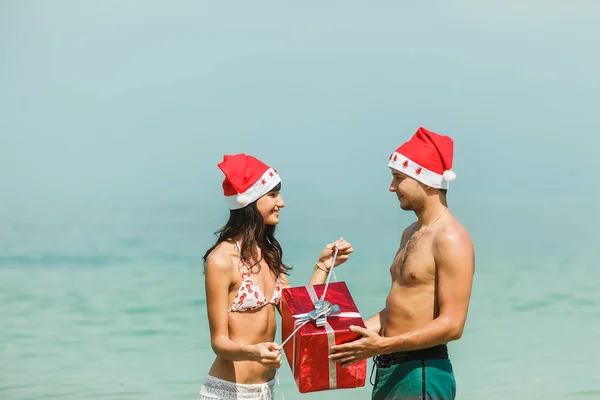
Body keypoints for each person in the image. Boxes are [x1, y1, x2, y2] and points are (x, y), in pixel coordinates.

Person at [329, 127, 475, 400]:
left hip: (421, 372)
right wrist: (348, 336)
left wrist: (383, 345)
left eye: (398, 178)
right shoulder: (410, 232)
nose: (391, 187)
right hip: (388, 370)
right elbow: (397, 310)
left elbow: (453, 325)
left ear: (427, 181)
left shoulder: (451, 238)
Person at [200, 153, 353, 400]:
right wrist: (253, 352)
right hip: (229, 392)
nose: (281, 202)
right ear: (248, 202)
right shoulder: (221, 260)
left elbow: (299, 316)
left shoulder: (268, 253)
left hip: (265, 390)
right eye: (272, 195)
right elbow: (219, 342)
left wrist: (322, 266)